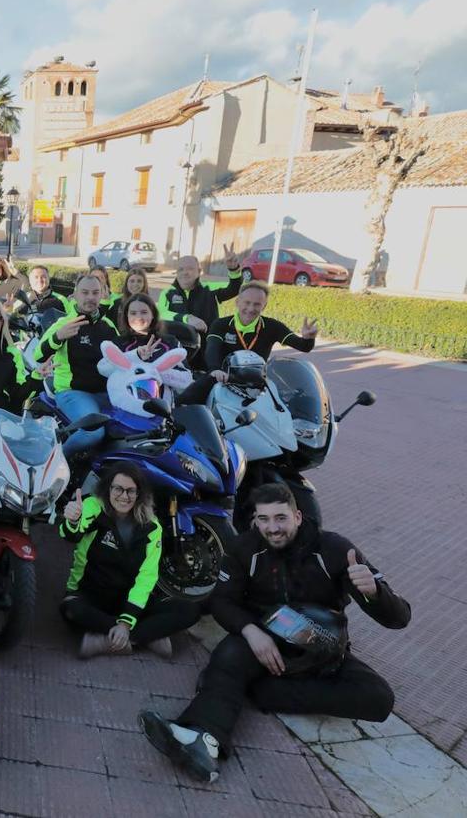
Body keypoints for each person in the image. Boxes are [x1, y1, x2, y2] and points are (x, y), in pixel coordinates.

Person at [139, 483, 410, 784]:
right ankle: (202, 738)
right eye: (264, 519)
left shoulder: (333, 549)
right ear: (255, 520)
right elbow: (222, 601)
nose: (273, 528)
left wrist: (374, 592)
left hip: (319, 650)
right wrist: (251, 631)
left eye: (280, 518)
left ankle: (257, 692)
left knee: (379, 698)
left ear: (297, 515)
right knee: (229, 655)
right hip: (264, 642)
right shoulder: (244, 549)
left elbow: (399, 618)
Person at [59, 463, 200, 659]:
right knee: (70, 609)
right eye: (118, 488)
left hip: (129, 600)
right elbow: (70, 534)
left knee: (191, 610)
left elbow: (147, 577)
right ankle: (147, 636)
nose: (124, 496)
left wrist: (126, 622)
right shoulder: (92, 507)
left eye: (131, 491)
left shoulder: (152, 527)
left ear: (139, 494)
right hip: (91, 594)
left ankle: (108, 640)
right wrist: (72, 520)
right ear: (108, 488)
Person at [33, 274, 119, 456]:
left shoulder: (108, 325)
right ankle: (55, 462)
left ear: (102, 294)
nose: (90, 297)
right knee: (94, 432)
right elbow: (38, 355)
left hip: (107, 393)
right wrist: (58, 337)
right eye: (85, 292)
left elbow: (121, 358)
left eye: (95, 293)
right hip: (73, 393)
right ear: (75, 295)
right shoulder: (64, 323)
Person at [204, 281, 318, 376]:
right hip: (222, 376)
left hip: (257, 381)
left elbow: (304, 346)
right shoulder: (220, 324)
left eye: (257, 304)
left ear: (264, 305)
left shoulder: (273, 326)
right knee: (193, 395)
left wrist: (309, 338)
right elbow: (212, 350)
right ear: (237, 302)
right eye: (247, 303)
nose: (250, 308)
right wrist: (215, 370)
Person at [156, 252, 243, 338]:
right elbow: (161, 314)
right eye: (181, 269)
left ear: (199, 271)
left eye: (190, 268)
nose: (185, 272)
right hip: (178, 345)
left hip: (206, 344)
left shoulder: (210, 288)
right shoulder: (167, 292)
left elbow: (234, 289)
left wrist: (234, 270)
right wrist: (187, 318)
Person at [114, 294, 180, 361]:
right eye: (133, 313)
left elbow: (185, 370)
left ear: (153, 314)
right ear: (127, 316)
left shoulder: (171, 342)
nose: (138, 317)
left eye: (144, 312)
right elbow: (107, 368)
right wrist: (136, 355)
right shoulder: (117, 344)